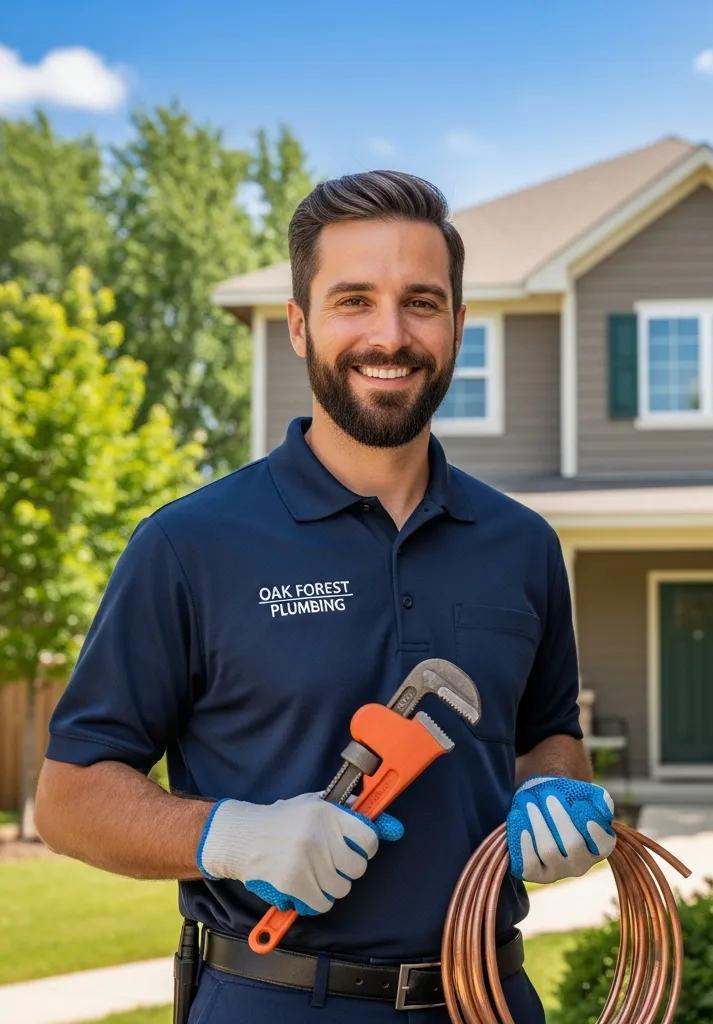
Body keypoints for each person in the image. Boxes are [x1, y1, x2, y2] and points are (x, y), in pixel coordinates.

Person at [35, 171, 616, 1022]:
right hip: (271, 997)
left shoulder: (522, 546)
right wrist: (232, 836)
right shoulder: (190, 545)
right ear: (300, 328)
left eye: (421, 302)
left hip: (489, 997)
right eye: (354, 301)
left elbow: (548, 738)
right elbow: (70, 797)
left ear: (457, 325)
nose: (391, 334)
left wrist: (557, 797)